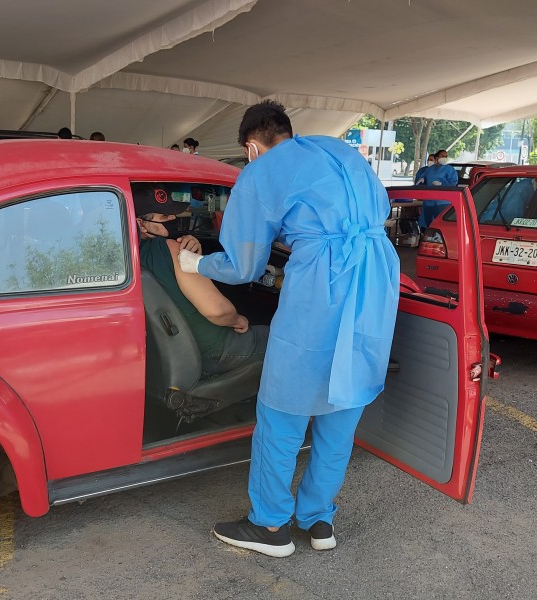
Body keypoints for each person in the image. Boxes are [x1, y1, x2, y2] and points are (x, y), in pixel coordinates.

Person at [178, 100, 399, 557]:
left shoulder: (261, 172)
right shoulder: (338, 150)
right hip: (377, 279)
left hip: (322, 283)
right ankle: (319, 520)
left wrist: (196, 260)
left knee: (282, 409)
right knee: (344, 400)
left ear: (251, 146)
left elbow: (243, 264)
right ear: (287, 130)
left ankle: (271, 526)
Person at [133, 183, 268, 376]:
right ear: (141, 224)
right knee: (284, 340)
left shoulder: (128, 258)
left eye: (172, 213)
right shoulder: (173, 249)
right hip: (217, 350)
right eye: (164, 216)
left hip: (179, 355)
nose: (173, 219)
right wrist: (238, 319)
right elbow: (217, 311)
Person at [417, 149, 457, 228]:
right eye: (442, 156)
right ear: (437, 157)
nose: (445, 158)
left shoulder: (449, 169)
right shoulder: (429, 169)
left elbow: (453, 183)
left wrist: (442, 184)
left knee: (441, 224)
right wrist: (422, 180)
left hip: (443, 201)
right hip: (429, 200)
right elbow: (423, 179)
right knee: (428, 223)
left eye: (446, 156)